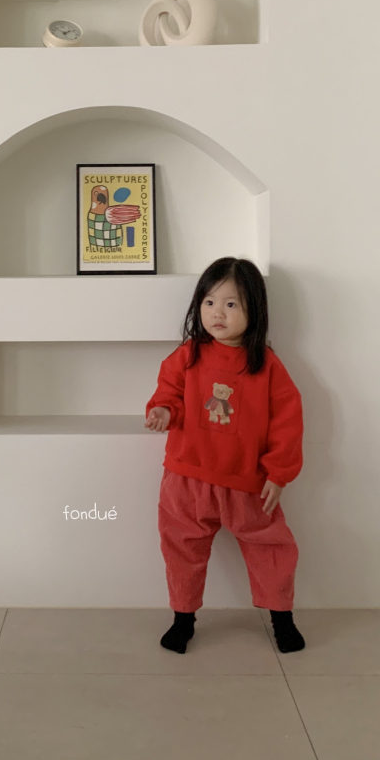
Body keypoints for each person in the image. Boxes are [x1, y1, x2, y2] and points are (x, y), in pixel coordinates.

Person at [144, 257, 305, 654]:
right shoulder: (188, 356)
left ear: (255, 311)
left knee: (271, 548)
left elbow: (287, 422)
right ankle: (183, 619)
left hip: (247, 483)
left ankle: (282, 619)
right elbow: (169, 392)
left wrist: (278, 473)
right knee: (182, 549)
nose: (218, 313)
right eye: (210, 302)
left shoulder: (267, 365)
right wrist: (163, 411)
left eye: (231, 304)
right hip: (187, 478)